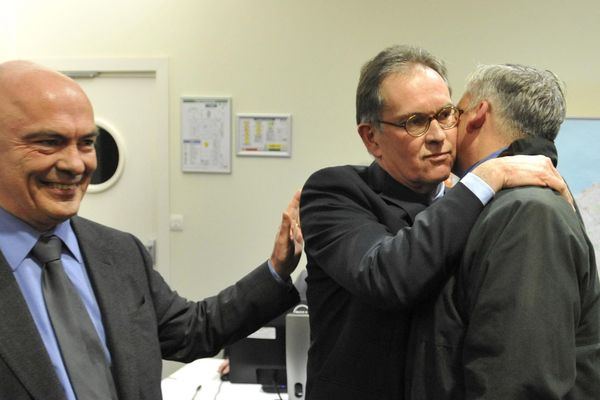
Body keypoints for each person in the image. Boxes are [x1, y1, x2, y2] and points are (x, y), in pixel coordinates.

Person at [0, 60, 303, 400]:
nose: (75, 164)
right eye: (49, 142)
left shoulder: (118, 252)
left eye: (86, 143)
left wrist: (277, 269)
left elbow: (192, 330)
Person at [299, 45, 572, 400]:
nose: (438, 135)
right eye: (415, 122)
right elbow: (387, 277)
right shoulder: (335, 192)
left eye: (445, 114)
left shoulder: (477, 205)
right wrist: (487, 174)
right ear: (371, 138)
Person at [405, 64, 600, 399]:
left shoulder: (528, 212)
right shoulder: (511, 204)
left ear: (478, 114)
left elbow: (518, 382)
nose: (443, 130)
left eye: (454, 113)